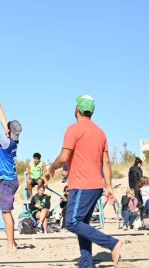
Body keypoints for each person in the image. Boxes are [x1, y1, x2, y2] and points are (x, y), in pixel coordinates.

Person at [46, 95, 122, 267]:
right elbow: (107, 162)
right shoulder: (100, 132)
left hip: (82, 185)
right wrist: (108, 186)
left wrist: (51, 168)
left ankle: (112, 244)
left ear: (77, 110)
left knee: (72, 222)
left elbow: (64, 157)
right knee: (83, 224)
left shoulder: (74, 129)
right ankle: (86, 263)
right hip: (96, 186)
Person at [0, 99, 22, 251]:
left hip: (8, 182)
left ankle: (10, 244)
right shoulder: (14, 141)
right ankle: (12, 243)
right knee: (6, 212)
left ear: (9, 131)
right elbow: (5, 122)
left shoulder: (6, 142)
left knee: (6, 213)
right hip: (11, 180)